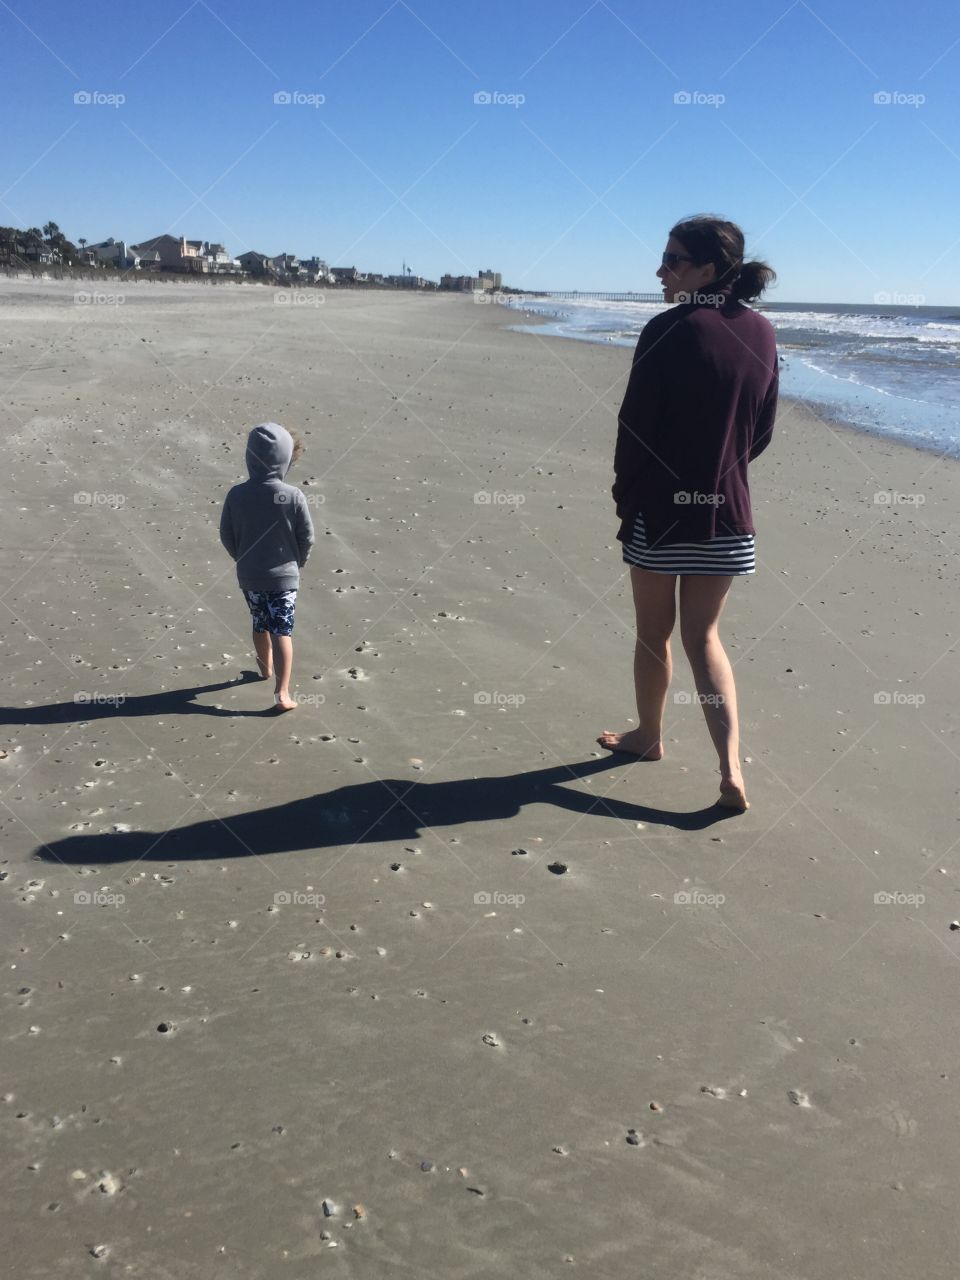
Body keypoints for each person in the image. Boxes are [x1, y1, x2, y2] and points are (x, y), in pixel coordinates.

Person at [598, 215, 779, 811]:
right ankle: (731, 770)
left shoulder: (667, 329)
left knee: (655, 633)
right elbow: (759, 433)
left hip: (661, 510)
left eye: (673, 260)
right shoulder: (763, 333)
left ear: (708, 269)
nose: (660, 270)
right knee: (706, 638)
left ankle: (649, 737)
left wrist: (628, 498)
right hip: (729, 512)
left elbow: (634, 431)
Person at [219, 423, 314, 712]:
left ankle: (264, 670)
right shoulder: (292, 495)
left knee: (259, 624)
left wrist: (242, 557)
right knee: (281, 630)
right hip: (283, 577)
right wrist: (298, 562)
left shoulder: (237, 494)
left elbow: (226, 534)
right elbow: (306, 537)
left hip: (249, 574)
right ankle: (282, 693)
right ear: (285, 459)